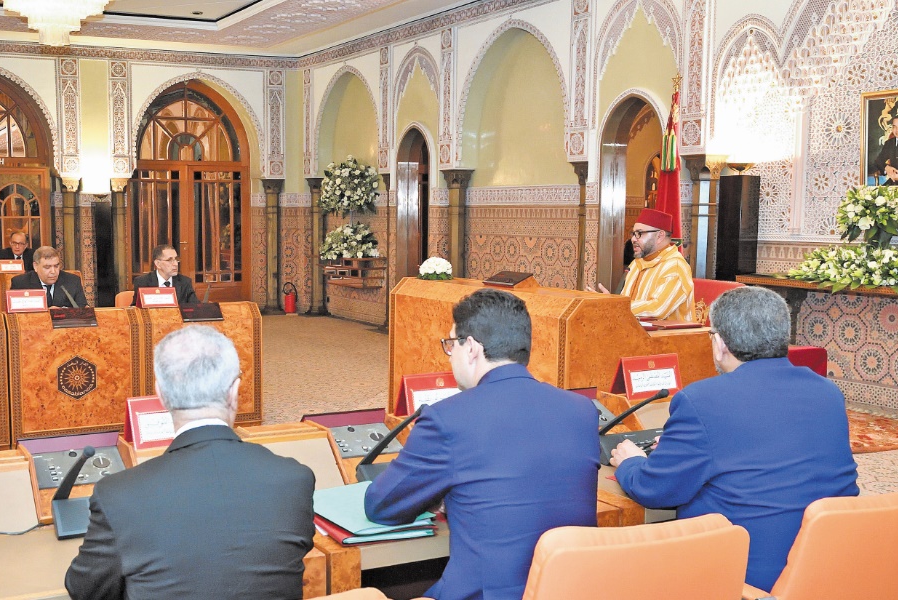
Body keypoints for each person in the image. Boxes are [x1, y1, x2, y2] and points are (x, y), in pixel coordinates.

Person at [610, 286, 859, 591]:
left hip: (742, 574)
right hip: (827, 565)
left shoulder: (702, 400)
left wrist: (631, 463)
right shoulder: (828, 392)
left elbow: (656, 489)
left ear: (721, 345)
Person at [364, 289, 599, 600]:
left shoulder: (447, 418)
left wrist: (437, 495)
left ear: (471, 347)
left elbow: (382, 506)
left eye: (451, 344)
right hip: (572, 590)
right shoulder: (582, 411)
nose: (450, 355)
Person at [65, 325, 316, 600]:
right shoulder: (294, 479)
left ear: (160, 395)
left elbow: (84, 589)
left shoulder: (118, 495)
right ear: (235, 391)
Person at [592, 208, 695, 320]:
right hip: (636, 332)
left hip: (668, 336)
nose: (633, 239)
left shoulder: (675, 267)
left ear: (660, 236)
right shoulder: (636, 264)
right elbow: (624, 302)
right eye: (633, 234)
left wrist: (615, 304)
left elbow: (657, 309)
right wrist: (610, 302)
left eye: (639, 234)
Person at [9, 246, 87, 308]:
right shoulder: (20, 283)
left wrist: (62, 312)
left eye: (56, 266)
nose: (53, 271)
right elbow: (16, 316)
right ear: (35, 266)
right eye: (47, 267)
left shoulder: (72, 281)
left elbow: (83, 310)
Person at [131, 244, 198, 306]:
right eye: (170, 260)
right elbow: (135, 308)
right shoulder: (143, 282)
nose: (175, 264)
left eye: (176, 259)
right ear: (158, 263)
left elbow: (195, 307)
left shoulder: (185, 282)